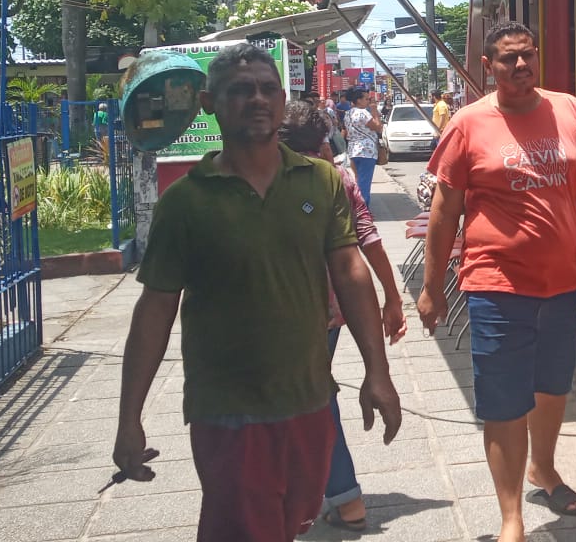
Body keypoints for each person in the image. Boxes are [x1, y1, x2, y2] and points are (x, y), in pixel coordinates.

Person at [112, 44, 402, 542]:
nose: (257, 99)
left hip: (309, 398)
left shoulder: (320, 182)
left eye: (268, 89)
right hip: (229, 409)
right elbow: (155, 309)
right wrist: (129, 418)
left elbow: (351, 272)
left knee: (294, 522)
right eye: (240, 90)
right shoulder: (186, 201)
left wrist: (378, 371)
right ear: (210, 102)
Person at [417, 22, 576, 542]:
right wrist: (432, 287)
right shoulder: (468, 124)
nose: (520, 67)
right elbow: (443, 211)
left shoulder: (570, 111)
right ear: (488, 66)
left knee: (552, 387)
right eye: (508, 60)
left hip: (564, 283)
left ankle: (543, 471)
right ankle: (511, 519)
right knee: (504, 401)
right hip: (496, 285)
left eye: (527, 56)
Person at [277, 100, 406, 532]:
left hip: (286, 314)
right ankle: (328, 493)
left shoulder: (272, 180)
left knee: (309, 399)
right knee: (311, 395)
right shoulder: (339, 178)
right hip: (333, 312)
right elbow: (368, 239)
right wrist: (392, 295)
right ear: (321, 142)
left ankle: (342, 495)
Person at [343, 87, 382, 207]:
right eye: (366, 99)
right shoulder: (363, 112)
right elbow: (378, 127)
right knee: (364, 183)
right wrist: (374, 111)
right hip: (366, 151)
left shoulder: (348, 113)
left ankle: (357, 207)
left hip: (353, 150)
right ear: (358, 100)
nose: (369, 101)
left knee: (358, 180)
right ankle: (363, 211)